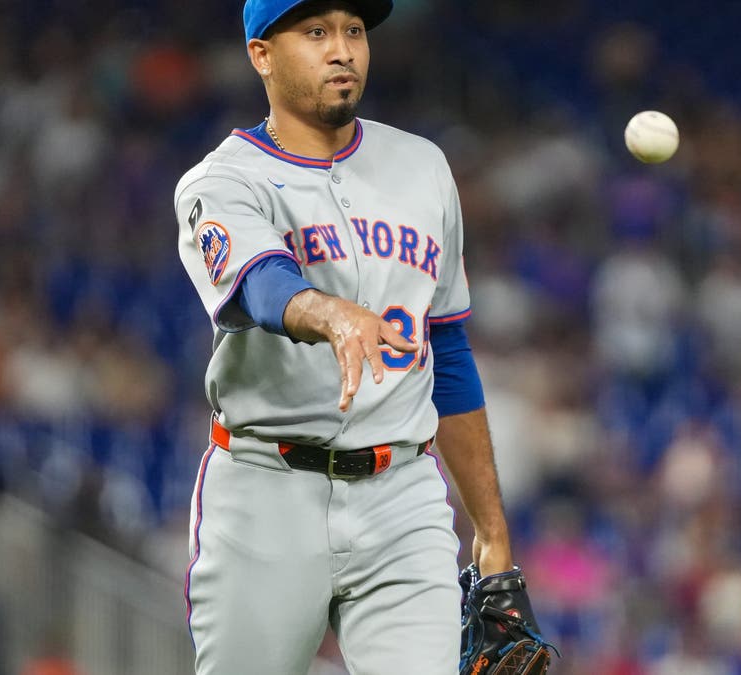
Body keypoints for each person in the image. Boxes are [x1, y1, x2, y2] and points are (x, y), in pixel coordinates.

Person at [174, 0, 530, 672]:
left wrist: (492, 531)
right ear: (262, 54)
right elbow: (260, 285)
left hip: (403, 496)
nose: (342, 49)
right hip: (265, 490)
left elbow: (448, 354)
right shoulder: (222, 181)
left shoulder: (423, 167)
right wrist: (331, 313)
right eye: (315, 32)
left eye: (354, 31)